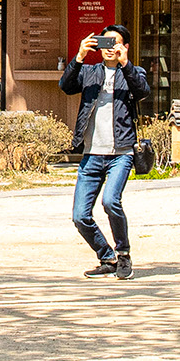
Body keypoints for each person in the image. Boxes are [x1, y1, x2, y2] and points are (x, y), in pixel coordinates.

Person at [58, 23, 148, 280]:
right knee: (80, 216)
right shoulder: (89, 72)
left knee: (110, 201)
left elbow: (142, 91)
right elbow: (65, 86)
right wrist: (79, 57)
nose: (109, 49)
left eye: (115, 43)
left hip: (121, 152)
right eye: (105, 43)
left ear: (124, 46)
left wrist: (126, 63)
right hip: (92, 154)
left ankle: (124, 254)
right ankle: (106, 256)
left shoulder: (133, 72)